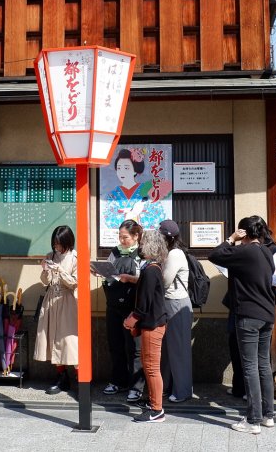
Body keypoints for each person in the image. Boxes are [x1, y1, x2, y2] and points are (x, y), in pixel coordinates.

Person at [208, 215, 276, 434]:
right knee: (263, 365)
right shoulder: (267, 251)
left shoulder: (244, 251)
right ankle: (268, 414)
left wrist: (231, 238)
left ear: (244, 233)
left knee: (249, 367)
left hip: (248, 314)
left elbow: (214, 255)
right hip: (267, 314)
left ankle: (253, 419)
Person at [98, 219, 146, 402]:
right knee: (115, 344)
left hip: (132, 307)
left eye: (125, 237)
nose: (122, 240)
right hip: (113, 305)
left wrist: (130, 278)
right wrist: (100, 272)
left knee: (134, 348)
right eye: (119, 236)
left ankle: (136, 386)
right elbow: (109, 272)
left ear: (136, 236)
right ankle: (118, 381)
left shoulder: (142, 252)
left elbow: (147, 278)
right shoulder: (115, 252)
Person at [123, 229, 168, 423]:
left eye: (142, 243)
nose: (140, 246)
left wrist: (132, 319)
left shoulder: (150, 270)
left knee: (151, 368)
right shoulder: (154, 267)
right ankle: (153, 403)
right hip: (153, 323)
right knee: (150, 366)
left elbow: (144, 302)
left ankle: (157, 410)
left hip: (152, 325)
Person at [33, 225, 78, 395]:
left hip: (67, 300)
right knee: (52, 338)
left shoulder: (75, 258)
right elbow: (45, 281)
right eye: (54, 243)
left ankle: (81, 379)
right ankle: (61, 377)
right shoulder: (50, 255)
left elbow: (74, 283)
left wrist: (60, 269)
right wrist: (45, 270)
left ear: (67, 241)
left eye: (59, 243)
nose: (56, 246)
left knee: (70, 341)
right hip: (51, 299)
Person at [158, 219, 193, 403]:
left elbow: (165, 280)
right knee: (168, 349)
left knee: (179, 350)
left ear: (167, 237)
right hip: (170, 303)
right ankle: (167, 386)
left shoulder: (175, 254)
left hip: (177, 304)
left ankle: (182, 391)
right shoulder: (168, 253)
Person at [101, 148, 166, 229]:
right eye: (119, 168)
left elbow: (158, 217)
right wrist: (133, 213)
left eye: (126, 168)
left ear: (135, 170)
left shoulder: (148, 192)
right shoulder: (113, 195)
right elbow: (108, 219)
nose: (122, 172)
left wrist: (129, 214)